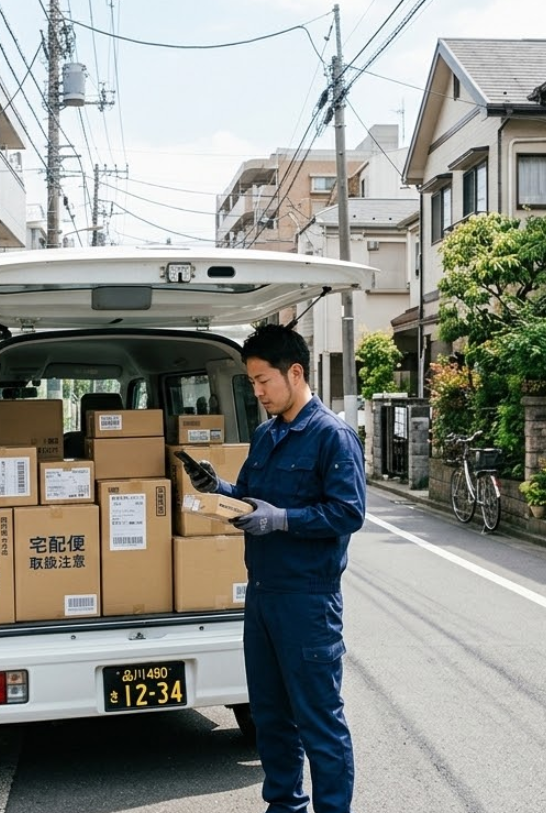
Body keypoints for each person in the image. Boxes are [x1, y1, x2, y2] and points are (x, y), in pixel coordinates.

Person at [186, 324, 365, 813]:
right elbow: (248, 503)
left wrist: (283, 519)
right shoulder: (266, 436)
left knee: (319, 720)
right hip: (261, 596)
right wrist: (217, 488)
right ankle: (284, 806)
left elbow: (349, 513)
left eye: (264, 381)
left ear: (296, 372)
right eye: (252, 383)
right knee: (269, 717)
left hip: (308, 599)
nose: (258, 391)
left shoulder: (333, 436)